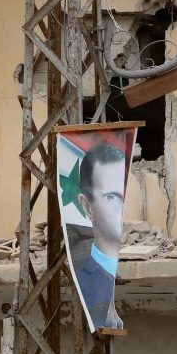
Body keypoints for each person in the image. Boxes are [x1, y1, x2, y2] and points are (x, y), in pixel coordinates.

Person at [65, 137, 127, 331]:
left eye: (122, 196)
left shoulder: (127, 261)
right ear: (87, 206)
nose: (120, 207)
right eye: (111, 197)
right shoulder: (83, 275)